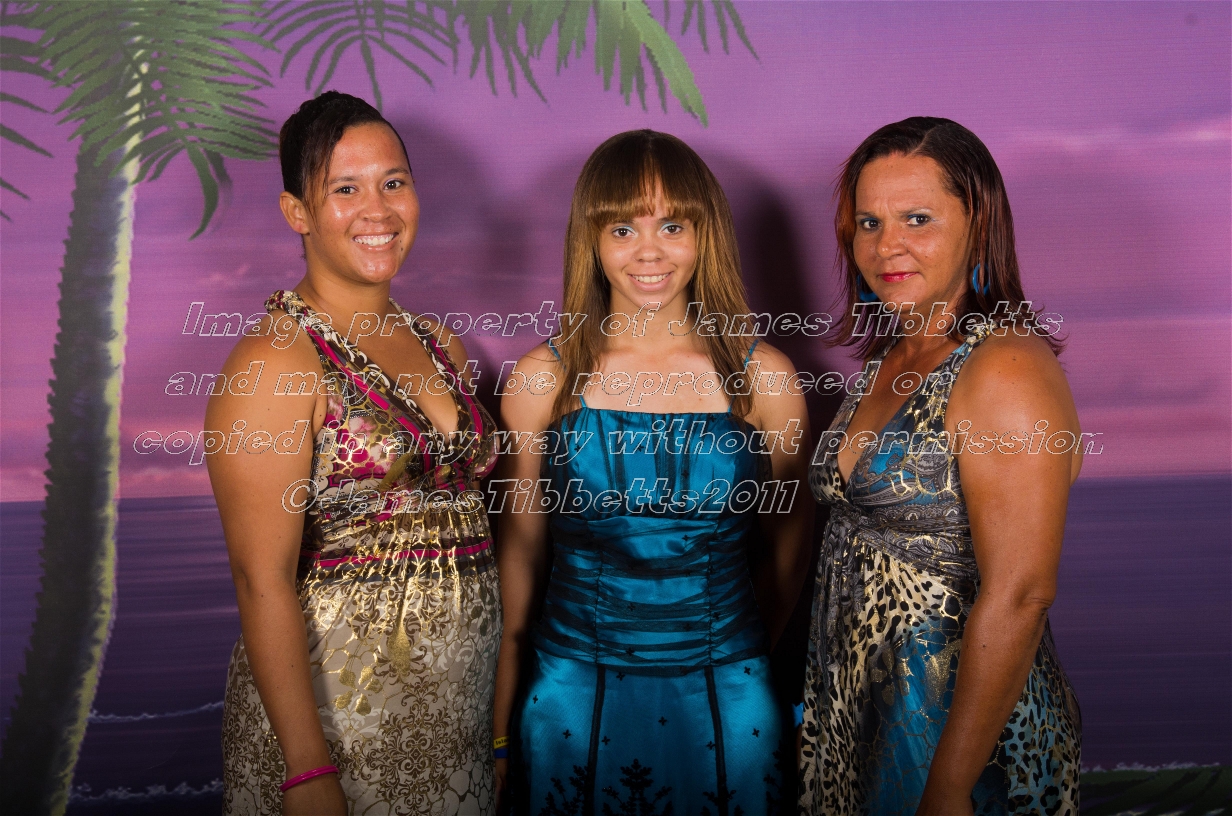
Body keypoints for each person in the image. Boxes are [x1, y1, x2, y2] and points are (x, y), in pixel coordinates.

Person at [491, 129, 814, 814]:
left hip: (729, 698)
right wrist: (499, 724)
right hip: (571, 697)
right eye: (622, 229)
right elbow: (519, 557)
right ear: (590, 240)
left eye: (672, 226)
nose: (649, 252)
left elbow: (791, 549)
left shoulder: (766, 379)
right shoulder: (541, 379)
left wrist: (730, 649)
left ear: (705, 235)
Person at [206, 92, 500, 815]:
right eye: (345, 189)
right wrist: (307, 771)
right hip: (340, 724)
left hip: (453, 721)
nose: (379, 210)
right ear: (296, 212)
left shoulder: (440, 343)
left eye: (393, 182)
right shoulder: (275, 361)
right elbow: (260, 580)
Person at [799, 116, 1082, 814]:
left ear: (977, 224)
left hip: (954, 739)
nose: (885, 245)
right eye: (869, 223)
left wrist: (948, 791)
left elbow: (1022, 593)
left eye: (917, 219)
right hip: (862, 715)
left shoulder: (1005, 366)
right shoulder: (892, 357)